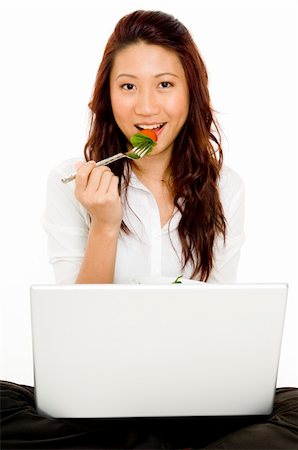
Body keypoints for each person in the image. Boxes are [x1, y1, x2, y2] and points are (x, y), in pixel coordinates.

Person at [1, 9, 297, 450]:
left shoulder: (225, 187)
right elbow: (79, 339)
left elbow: (219, 324)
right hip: (97, 400)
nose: (146, 107)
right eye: (128, 86)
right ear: (107, 95)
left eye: (164, 84)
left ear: (190, 92)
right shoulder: (72, 181)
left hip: (194, 399)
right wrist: (105, 224)